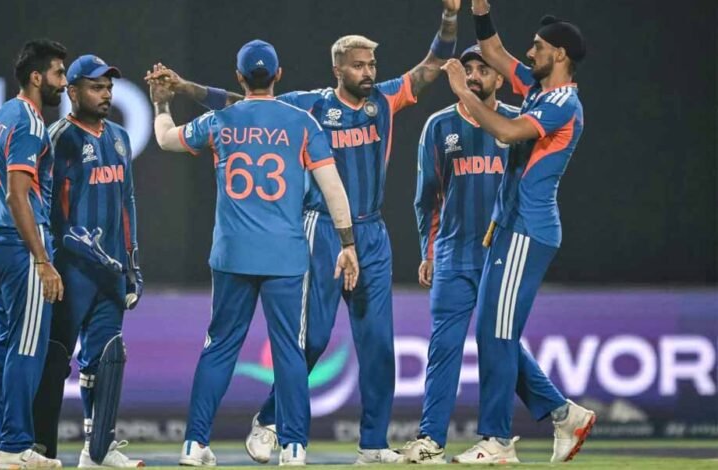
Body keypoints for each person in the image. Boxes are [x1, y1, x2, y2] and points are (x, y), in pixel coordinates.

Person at [146, 1, 460, 462]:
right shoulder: (308, 107)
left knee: (378, 346)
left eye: (372, 64)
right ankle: (272, 420)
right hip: (321, 229)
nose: (368, 72)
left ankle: (373, 444)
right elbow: (242, 105)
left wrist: (450, 19)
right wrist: (187, 87)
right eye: (358, 65)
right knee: (309, 340)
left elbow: (432, 65)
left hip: (371, 233)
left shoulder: (385, 99)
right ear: (338, 70)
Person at [148, 39, 359, 466]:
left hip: (232, 255)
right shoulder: (301, 123)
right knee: (289, 351)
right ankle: (294, 446)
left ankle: (194, 444)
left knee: (219, 347)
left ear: (239, 77)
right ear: (278, 76)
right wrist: (348, 244)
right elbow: (333, 188)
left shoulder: (220, 121)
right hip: (284, 255)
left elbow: (166, 140)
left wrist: (161, 104)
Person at [438, 0, 595, 463]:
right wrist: (481, 12)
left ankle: (498, 440)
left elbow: (506, 132)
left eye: (538, 47)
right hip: (511, 228)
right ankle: (563, 414)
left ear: (560, 54)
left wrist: (462, 92)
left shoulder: (563, 104)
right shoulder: (536, 86)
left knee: (497, 334)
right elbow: (494, 49)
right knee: (494, 332)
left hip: (528, 229)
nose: (529, 53)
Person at [402, 44, 519, 464]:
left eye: (482, 69)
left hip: (502, 254)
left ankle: (499, 439)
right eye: (467, 68)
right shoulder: (439, 126)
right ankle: (430, 439)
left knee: (500, 347)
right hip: (453, 254)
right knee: (444, 349)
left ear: (500, 78)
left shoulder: (517, 122)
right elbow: (427, 197)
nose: (473, 75)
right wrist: (428, 251)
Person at [31, 54, 145, 468]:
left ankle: (98, 450)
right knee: (55, 359)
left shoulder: (120, 137)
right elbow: (47, 211)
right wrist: (60, 255)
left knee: (108, 356)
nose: (106, 94)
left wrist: (132, 263)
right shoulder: (58, 139)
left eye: (109, 87)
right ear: (73, 91)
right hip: (69, 273)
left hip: (110, 272)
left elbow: (127, 204)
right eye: (97, 87)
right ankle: (39, 449)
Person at [0, 39, 67, 469]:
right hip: (24, 246)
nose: (64, 82)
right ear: (37, 77)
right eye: (58, 73)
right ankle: (14, 445)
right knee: (27, 348)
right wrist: (42, 258)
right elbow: (17, 194)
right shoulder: (30, 122)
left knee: (5, 346)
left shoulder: (3, 115)